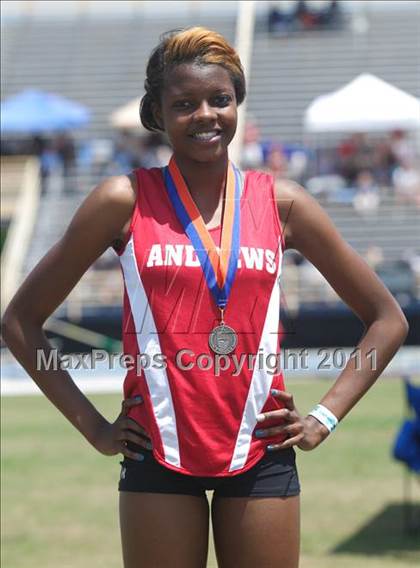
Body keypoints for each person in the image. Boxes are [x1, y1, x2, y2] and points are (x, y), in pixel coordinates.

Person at [1, 27, 409, 568]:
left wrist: (323, 417)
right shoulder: (122, 201)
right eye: (184, 104)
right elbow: (21, 322)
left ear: (237, 101)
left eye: (220, 99)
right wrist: (96, 428)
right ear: (158, 113)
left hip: (262, 450)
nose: (206, 116)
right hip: (157, 453)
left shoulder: (283, 204)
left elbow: (387, 319)